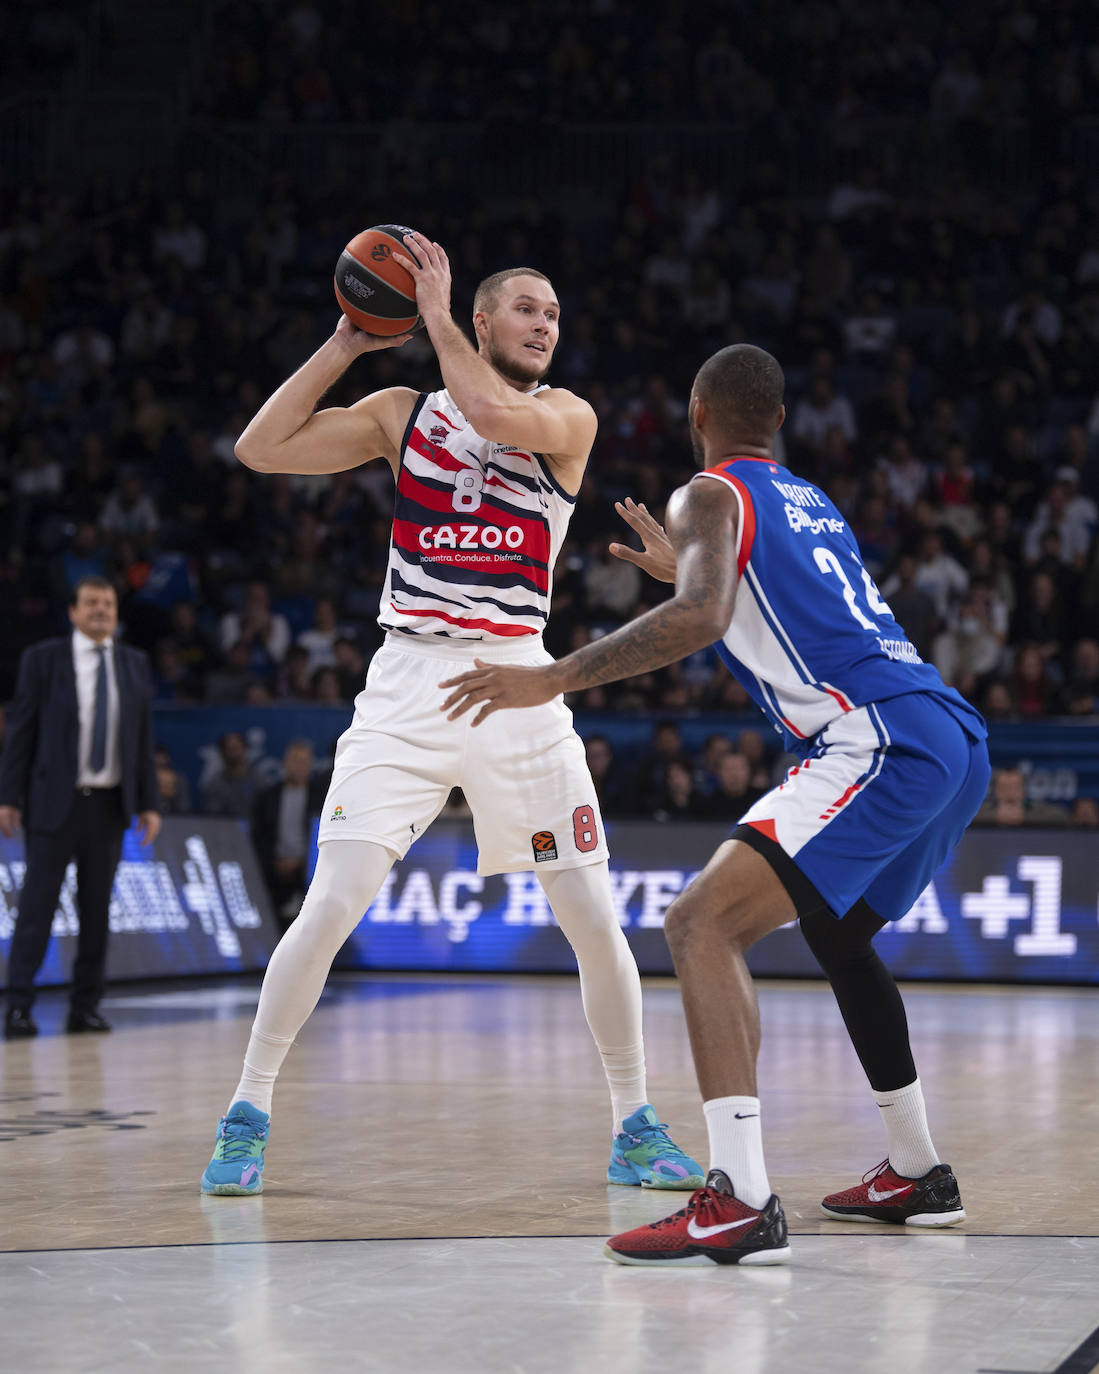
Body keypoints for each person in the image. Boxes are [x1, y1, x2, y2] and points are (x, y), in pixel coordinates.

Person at [440, 343, 991, 1267]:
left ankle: (738, 1198)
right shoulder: (810, 499)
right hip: (950, 734)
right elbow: (769, 606)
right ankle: (917, 1171)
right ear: (778, 419)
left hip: (875, 737)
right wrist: (693, 573)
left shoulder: (706, 494)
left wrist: (553, 676)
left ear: (697, 413)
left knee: (698, 924)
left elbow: (702, 616)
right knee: (839, 935)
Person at [200, 232, 702, 1196]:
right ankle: (246, 1111)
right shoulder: (401, 413)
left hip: (519, 680)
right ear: (482, 319)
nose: (545, 325)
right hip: (409, 681)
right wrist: (346, 343)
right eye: (526, 308)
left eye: (553, 314)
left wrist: (430, 315)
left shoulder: (565, 415)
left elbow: (490, 411)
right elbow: (258, 449)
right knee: (331, 903)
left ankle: (634, 1125)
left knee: (590, 917)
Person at [0, 576, 161, 1037]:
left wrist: (149, 803)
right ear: (72, 612)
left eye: (107, 603)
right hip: (55, 803)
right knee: (37, 909)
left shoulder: (133, 663)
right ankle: (18, 1006)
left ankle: (85, 1007)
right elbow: (21, 732)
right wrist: (8, 796)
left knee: (96, 912)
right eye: (91, 603)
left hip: (108, 806)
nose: (100, 610)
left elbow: (142, 740)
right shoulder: (43, 659)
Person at [251, 738, 329, 925]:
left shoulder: (322, 799)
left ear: (310, 765)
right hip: (273, 871)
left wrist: (302, 862)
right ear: (285, 763)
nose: (299, 766)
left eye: (304, 761)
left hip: (309, 872)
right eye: (295, 760)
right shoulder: (268, 797)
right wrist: (275, 861)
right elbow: (259, 836)